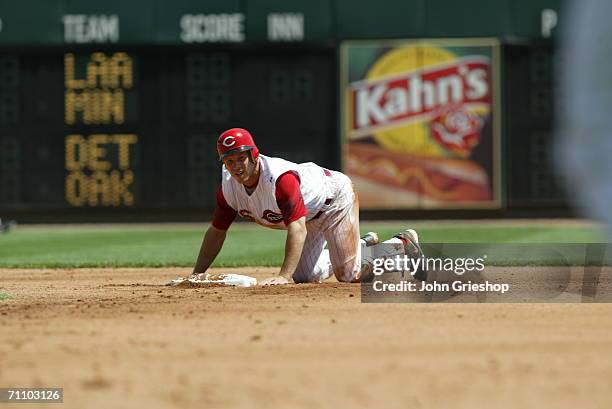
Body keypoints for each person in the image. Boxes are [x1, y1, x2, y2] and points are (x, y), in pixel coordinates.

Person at [191, 128, 424, 285]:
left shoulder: (280, 179)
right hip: (309, 215)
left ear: (254, 155)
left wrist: (282, 276)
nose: (236, 166)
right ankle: (362, 245)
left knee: (349, 274)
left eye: (241, 157)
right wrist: (197, 275)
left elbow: (297, 229)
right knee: (305, 277)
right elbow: (217, 231)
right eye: (229, 161)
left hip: (334, 200)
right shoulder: (229, 188)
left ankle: (400, 244)